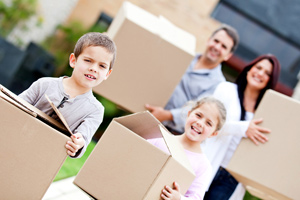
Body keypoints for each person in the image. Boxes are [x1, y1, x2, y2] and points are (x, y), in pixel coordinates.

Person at [18, 32, 116, 158]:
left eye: (102, 66)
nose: (94, 68)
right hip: (18, 138)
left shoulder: (95, 110)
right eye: (88, 60)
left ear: (108, 74)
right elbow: (15, 105)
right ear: (73, 60)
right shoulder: (45, 84)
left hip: (44, 157)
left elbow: (83, 138)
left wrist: (78, 143)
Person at [202, 54, 281, 200]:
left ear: (271, 80)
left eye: (267, 73)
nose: (260, 73)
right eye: (258, 67)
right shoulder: (226, 90)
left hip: (232, 179)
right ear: (249, 69)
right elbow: (208, 123)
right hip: (208, 163)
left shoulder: (266, 111)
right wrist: (243, 128)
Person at [145, 24, 239, 134]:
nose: (217, 47)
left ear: (228, 55)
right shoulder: (183, 57)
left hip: (170, 132)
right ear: (208, 40)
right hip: (145, 112)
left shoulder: (218, 84)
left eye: (224, 46)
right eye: (216, 41)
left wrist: (166, 115)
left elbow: (199, 110)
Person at [148, 97, 227, 200]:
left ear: (213, 133)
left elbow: (196, 198)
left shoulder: (203, 166)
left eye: (208, 123)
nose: (200, 123)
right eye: (198, 115)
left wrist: (178, 198)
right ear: (189, 114)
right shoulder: (159, 139)